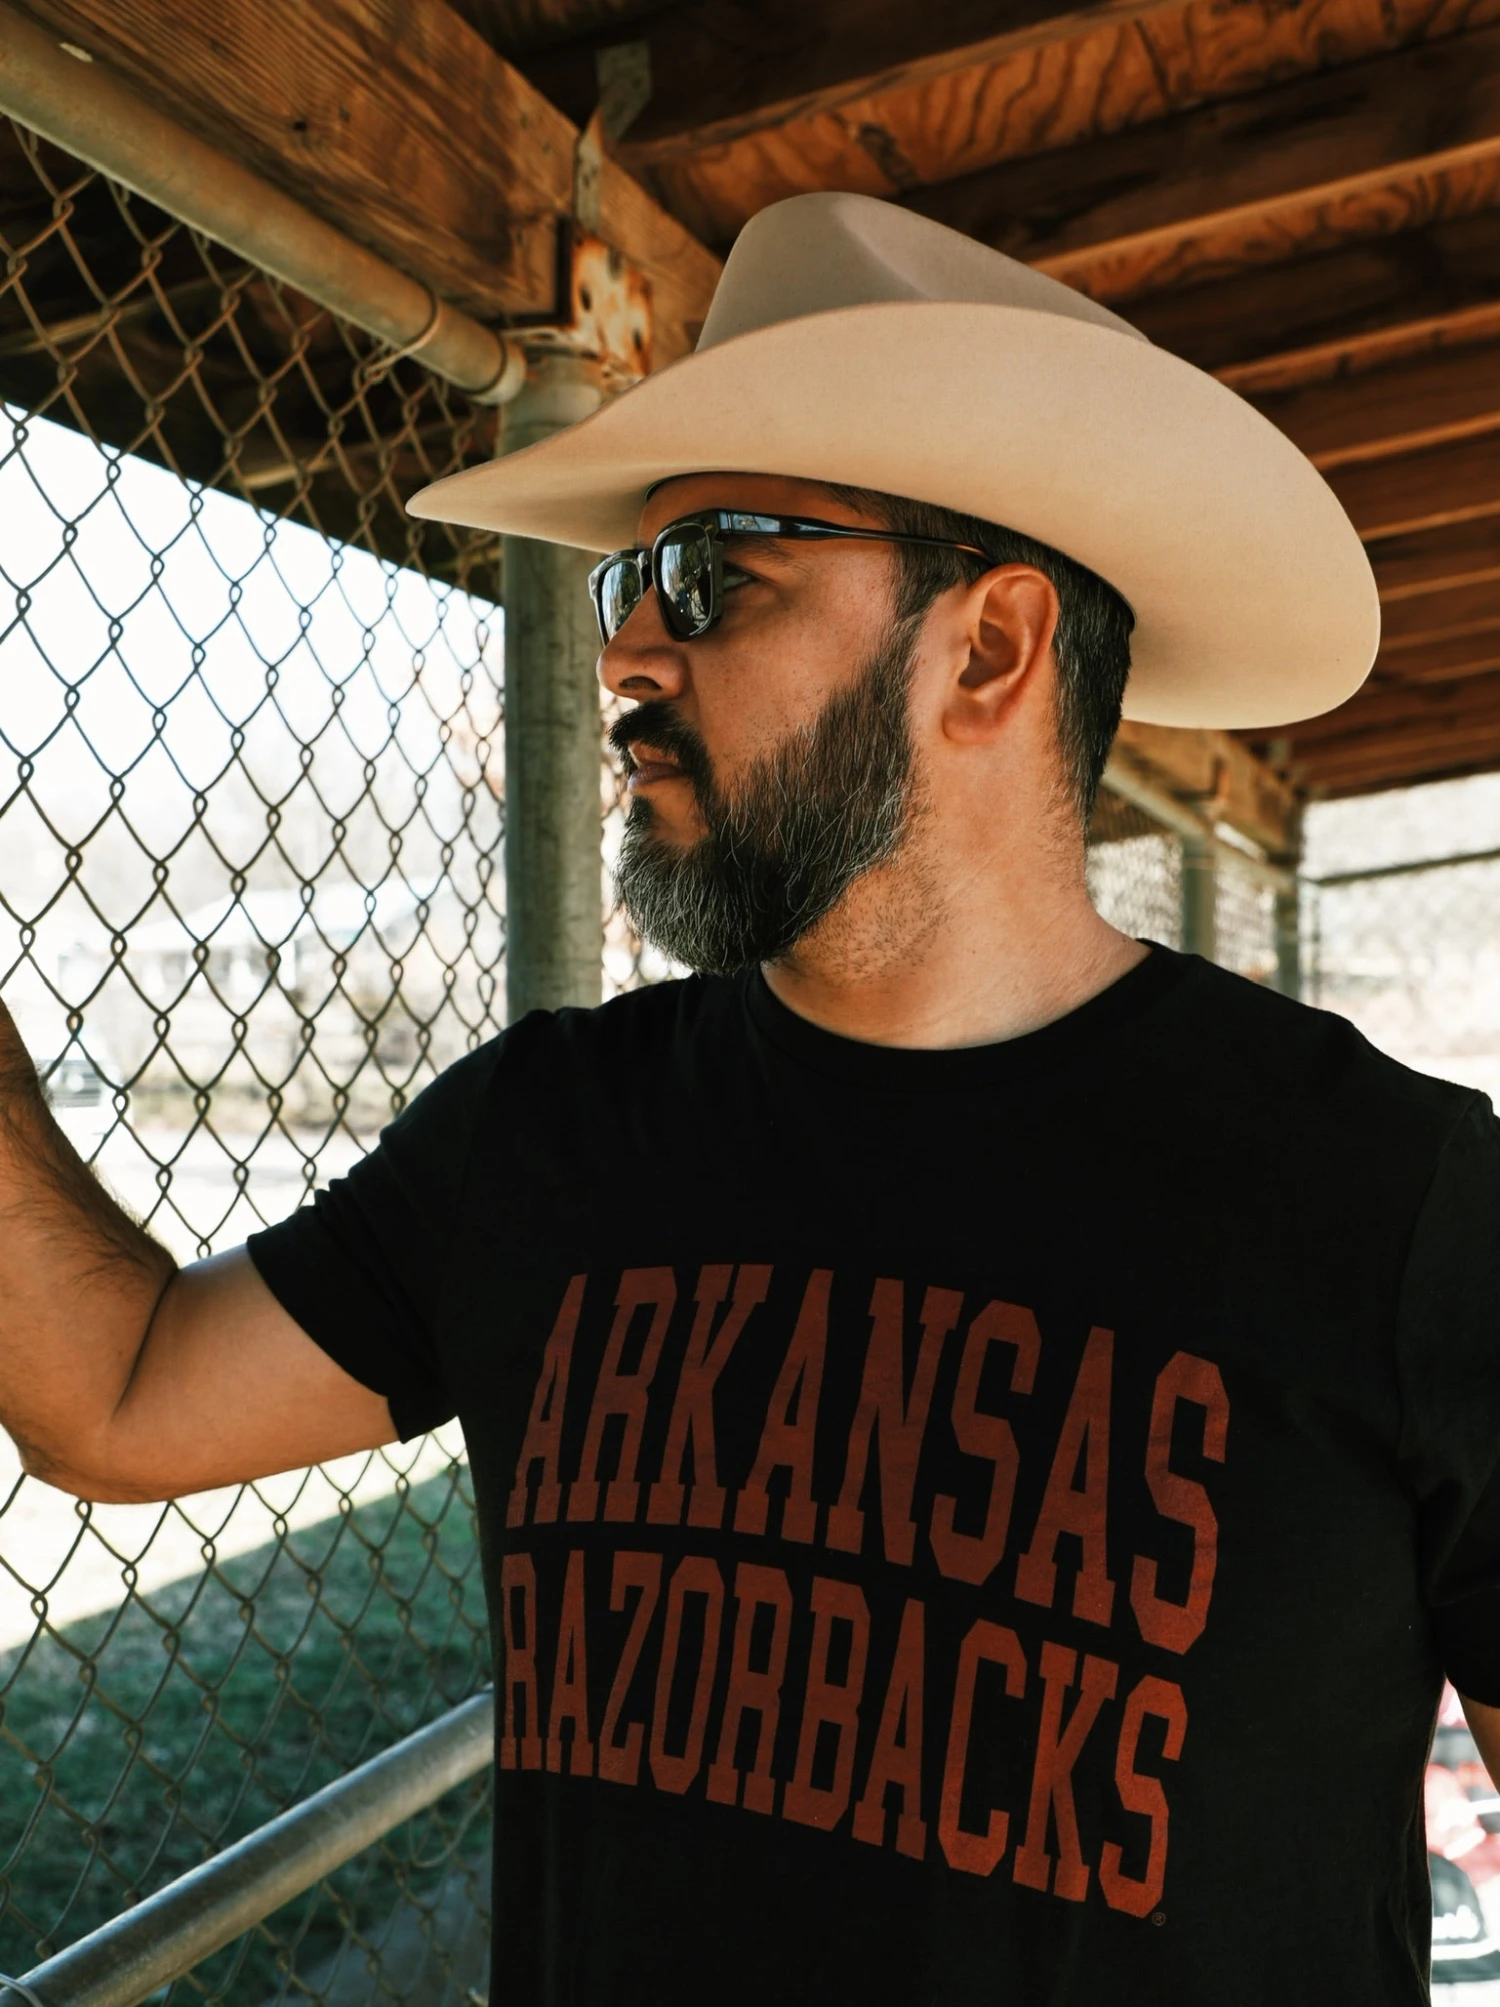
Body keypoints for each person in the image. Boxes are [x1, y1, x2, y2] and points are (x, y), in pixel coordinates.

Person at [0, 191, 1492, 2006]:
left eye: (712, 574)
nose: (627, 654)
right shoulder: (544, 1137)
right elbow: (119, 1394)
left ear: (989, 651)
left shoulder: (1401, 1203)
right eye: (623, 586)